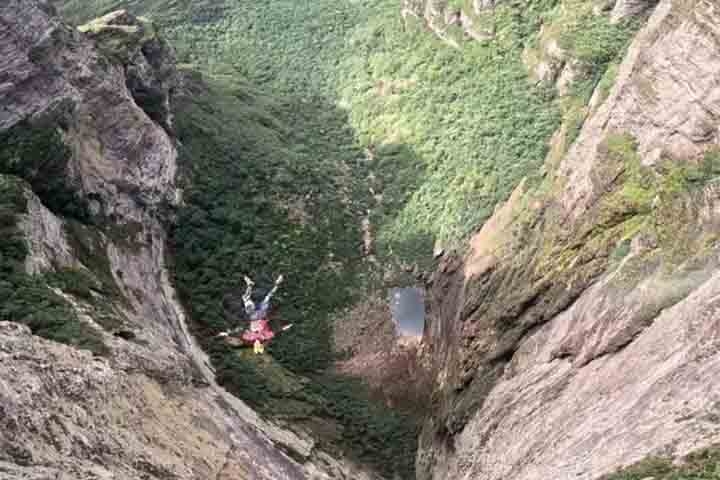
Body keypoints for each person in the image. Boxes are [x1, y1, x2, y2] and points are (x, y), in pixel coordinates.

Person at [218, 274, 292, 354]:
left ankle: (254, 285)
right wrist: (285, 328)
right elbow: (275, 332)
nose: (257, 343)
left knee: (255, 298)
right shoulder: (260, 338)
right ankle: (276, 283)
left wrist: (225, 334)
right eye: (259, 345)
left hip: (254, 316)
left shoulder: (248, 338)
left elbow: (238, 333)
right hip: (258, 316)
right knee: (265, 297)